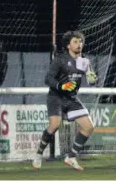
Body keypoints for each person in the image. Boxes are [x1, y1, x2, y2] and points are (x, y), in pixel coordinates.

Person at [32, 31, 98, 171]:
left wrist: (93, 79)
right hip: (56, 97)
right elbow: (48, 79)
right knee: (55, 125)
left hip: (71, 99)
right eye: (75, 41)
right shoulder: (61, 59)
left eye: (81, 42)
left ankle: (71, 157)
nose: (79, 44)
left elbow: (92, 79)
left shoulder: (85, 62)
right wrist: (61, 86)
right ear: (68, 45)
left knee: (89, 127)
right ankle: (38, 154)